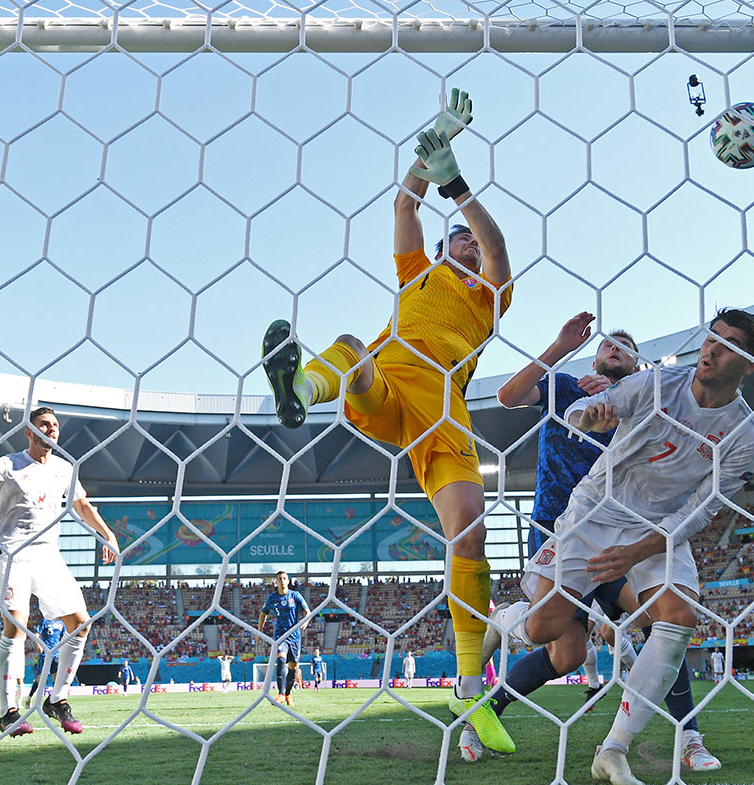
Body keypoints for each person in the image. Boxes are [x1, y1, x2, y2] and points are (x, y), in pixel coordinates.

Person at [259, 88, 515, 753]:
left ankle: (470, 687)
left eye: (466, 235)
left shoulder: (488, 296)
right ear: (439, 248)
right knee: (352, 349)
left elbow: (498, 244)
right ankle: (299, 392)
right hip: (388, 384)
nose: (463, 238)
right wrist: (434, 137)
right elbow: (404, 204)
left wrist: (455, 178)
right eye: (454, 233)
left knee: (470, 536)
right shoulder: (417, 275)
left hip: (440, 413)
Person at [489, 309, 754, 785]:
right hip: (596, 511)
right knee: (545, 632)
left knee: (679, 615)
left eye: (728, 345)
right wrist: (591, 416)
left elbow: (703, 509)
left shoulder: (747, 435)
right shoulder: (659, 384)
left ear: (748, 366)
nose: (712, 349)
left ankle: (614, 750)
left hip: (660, 528)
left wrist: (642, 550)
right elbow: (582, 409)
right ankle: (504, 619)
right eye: (711, 337)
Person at [0, 406, 119, 738]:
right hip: (12, 554)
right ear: (29, 432)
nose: (51, 430)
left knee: (80, 625)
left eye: (55, 426)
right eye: (44, 425)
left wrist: (107, 534)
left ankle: (58, 699)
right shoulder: (7, 465)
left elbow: (81, 505)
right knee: (16, 626)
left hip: (48, 556)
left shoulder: (64, 469)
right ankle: (9, 711)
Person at [258, 571, 309, 706]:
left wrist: (306, 621)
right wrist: (259, 632)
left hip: (295, 637)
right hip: (280, 635)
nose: (282, 581)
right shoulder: (272, 598)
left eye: (284, 578)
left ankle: (288, 694)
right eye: (279, 579)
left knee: (293, 666)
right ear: (276, 582)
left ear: (288, 581)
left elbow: (307, 611)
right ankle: (280, 694)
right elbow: (263, 614)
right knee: (281, 659)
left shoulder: (295, 595)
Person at [25, 617, 68, 708]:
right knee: (41, 679)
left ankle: (53, 701)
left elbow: (63, 638)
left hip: (57, 654)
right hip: (46, 653)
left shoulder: (61, 623)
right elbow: (36, 635)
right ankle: (30, 697)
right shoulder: (45, 621)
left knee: (56, 679)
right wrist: (39, 645)